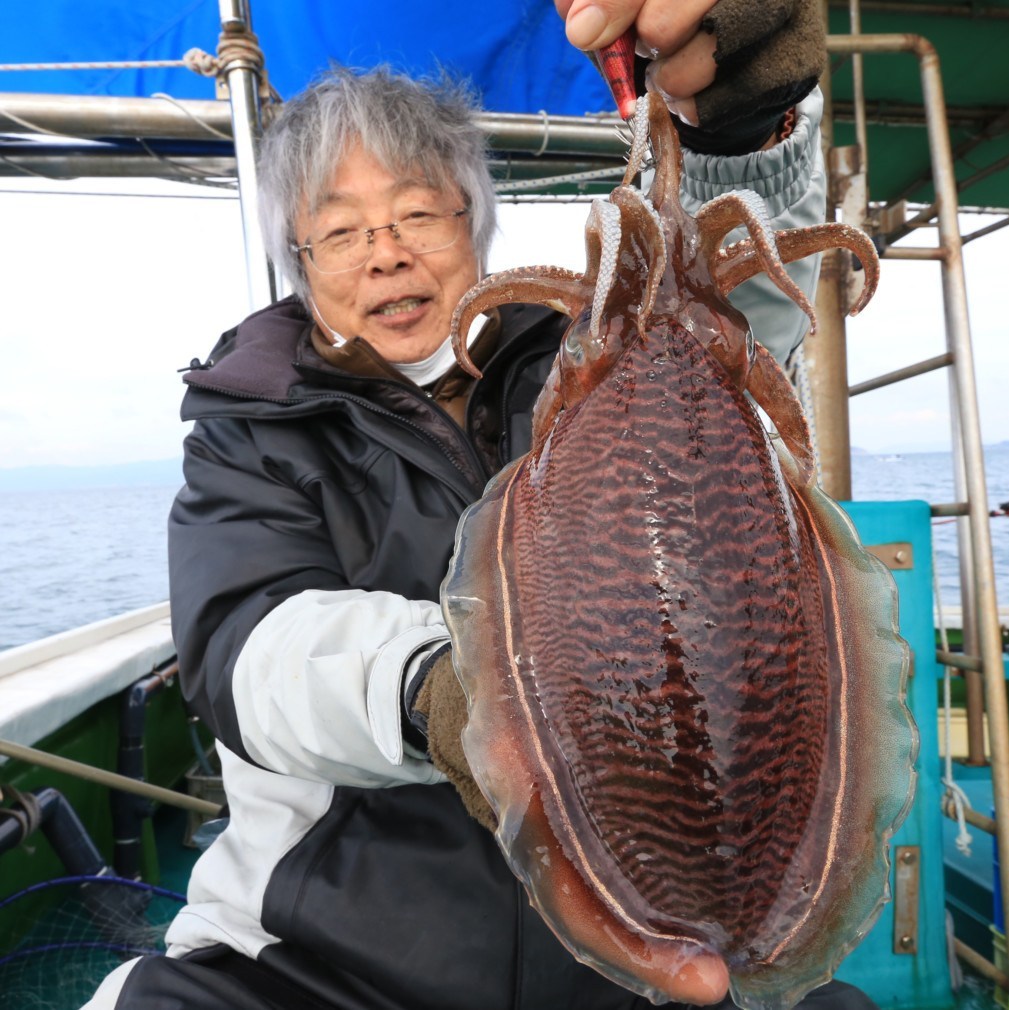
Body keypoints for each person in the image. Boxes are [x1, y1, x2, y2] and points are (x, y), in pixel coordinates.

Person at [83, 2, 878, 1007]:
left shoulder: (588, 367)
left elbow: (748, 317)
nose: (385, 252)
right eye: (339, 230)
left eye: (418, 212)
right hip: (327, 955)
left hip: (637, 943)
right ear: (301, 261)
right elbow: (249, 652)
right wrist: (448, 688)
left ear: (474, 223)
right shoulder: (251, 428)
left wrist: (742, 131)